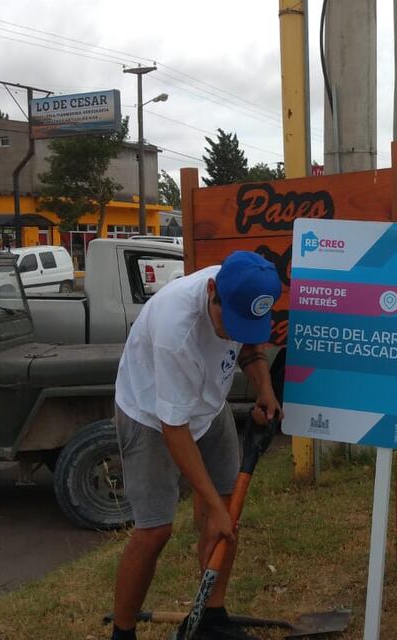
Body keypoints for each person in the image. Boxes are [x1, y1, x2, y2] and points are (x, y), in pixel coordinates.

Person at [110, 251, 283, 640]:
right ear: (210, 291)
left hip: (207, 405)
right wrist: (212, 505)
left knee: (226, 518)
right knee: (155, 530)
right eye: (229, 321)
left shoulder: (241, 292)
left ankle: (211, 617)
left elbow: (250, 348)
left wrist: (265, 390)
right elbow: (174, 429)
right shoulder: (177, 328)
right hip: (151, 413)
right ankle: (122, 632)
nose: (233, 332)